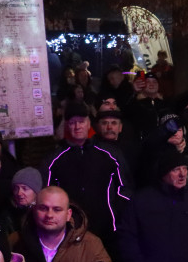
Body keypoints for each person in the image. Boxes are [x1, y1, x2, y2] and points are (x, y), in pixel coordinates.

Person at [45, 102, 131, 247]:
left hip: (107, 229)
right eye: (72, 123)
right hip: (70, 230)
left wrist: (118, 216)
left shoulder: (110, 153)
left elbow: (125, 188)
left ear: (89, 124)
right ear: (67, 125)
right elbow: (48, 194)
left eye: (81, 121)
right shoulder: (54, 159)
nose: (77, 126)